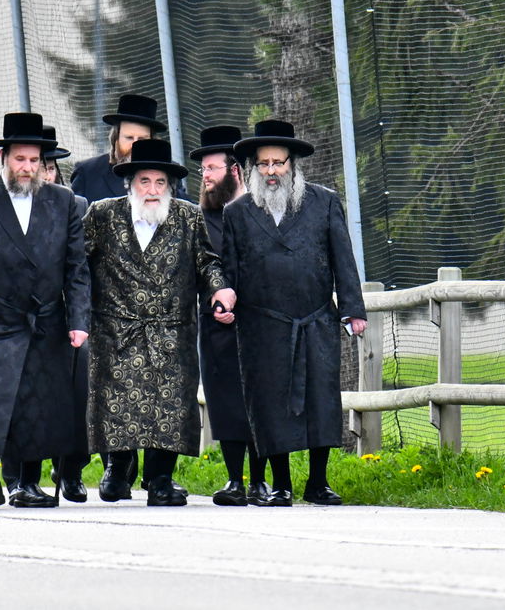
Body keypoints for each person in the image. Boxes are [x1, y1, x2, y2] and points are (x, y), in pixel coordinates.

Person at [0, 112, 91, 508]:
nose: (27, 168)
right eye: (19, 159)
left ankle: (28, 482)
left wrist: (78, 320)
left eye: (34, 161)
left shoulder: (62, 202)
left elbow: (76, 268)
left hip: (44, 319)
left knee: (38, 401)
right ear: (4, 158)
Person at [220, 120, 367, 506]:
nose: (271, 171)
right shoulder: (237, 212)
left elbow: (343, 259)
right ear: (253, 167)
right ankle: (281, 485)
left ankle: (318, 482)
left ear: (292, 165)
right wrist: (223, 299)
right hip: (261, 325)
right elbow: (228, 270)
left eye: (278, 163)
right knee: (269, 403)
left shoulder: (324, 202)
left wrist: (352, 309)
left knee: (322, 400)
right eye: (264, 164)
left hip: (315, 319)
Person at [83, 138, 236, 506]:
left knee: (169, 405)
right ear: (130, 183)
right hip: (116, 329)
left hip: (171, 328)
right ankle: (117, 468)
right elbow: (76, 263)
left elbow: (207, 261)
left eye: (160, 182)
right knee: (117, 402)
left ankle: (161, 478)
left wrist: (219, 289)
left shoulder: (187, 217)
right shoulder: (102, 215)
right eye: (144, 181)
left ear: (170, 186)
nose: (152, 190)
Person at [189, 125, 267, 507]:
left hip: (259, 325)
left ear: (234, 170)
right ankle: (235, 479)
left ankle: (261, 481)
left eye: (212, 168)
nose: (205, 176)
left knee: (259, 400)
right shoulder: (199, 220)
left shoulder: (261, 213)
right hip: (215, 326)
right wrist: (214, 303)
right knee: (225, 402)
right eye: (203, 169)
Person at [43, 123, 93, 502]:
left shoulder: (76, 206)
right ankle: (20, 473)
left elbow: (81, 267)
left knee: (76, 392)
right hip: (25, 316)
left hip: (67, 314)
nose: (45, 174)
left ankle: (71, 471)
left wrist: (80, 317)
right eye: (38, 165)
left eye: (50, 167)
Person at [70, 93, 187, 202]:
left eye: (142, 139)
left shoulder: (171, 172)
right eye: (129, 138)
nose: (135, 145)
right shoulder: (88, 173)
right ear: (116, 139)